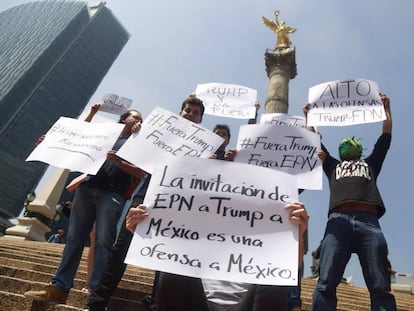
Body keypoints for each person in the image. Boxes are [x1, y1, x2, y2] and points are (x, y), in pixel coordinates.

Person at [83, 95, 206, 311]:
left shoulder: (204, 148)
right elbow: (140, 164)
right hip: (148, 196)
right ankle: (96, 304)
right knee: (121, 250)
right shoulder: (158, 132)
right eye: (188, 110)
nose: (191, 114)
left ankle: (159, 305)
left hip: (179, 204)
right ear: (180, 113)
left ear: (200, 120)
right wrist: (139, 132)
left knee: (166, 257)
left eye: (196, 113)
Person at [24, 109, 147, 304]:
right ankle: (59, 287)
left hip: (113, 194)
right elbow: (76, 141)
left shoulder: (137, 145)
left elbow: (141, 173)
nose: (139, 121)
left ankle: (97, 292)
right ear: (125, 119)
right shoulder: (104, 135)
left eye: (141, 119)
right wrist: (49, 143)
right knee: (74, 238)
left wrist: (118, 161)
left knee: (104, 242)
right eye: (136, 117)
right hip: (87, 189)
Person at [125, 200, 309, 311]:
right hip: (197, 302)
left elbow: (289, 267)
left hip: (248, 305)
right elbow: (167, 252)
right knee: (175, 264)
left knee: (275, 279)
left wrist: (296, 235)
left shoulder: (265, 231)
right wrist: (145, 230)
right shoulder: (198, 228)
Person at [304, 93, 397, 311]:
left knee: (380, 285)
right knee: (325, 282)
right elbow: (314, 138)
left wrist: (386, 109)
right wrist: (309, 116)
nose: (347, 146)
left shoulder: (371, 163)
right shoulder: (332, 165)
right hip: (338, 221)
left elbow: (386, 136)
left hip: (369, 222)